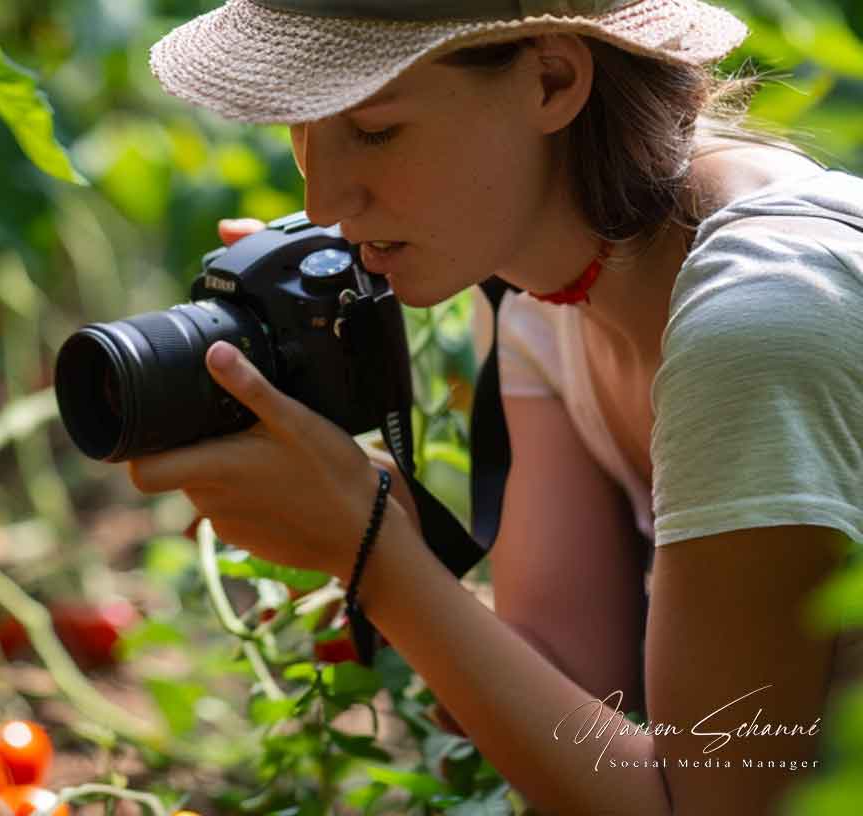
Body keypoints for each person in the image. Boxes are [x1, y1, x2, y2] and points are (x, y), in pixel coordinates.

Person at [131, 1, 863, 813]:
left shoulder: (759, 320)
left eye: (374, 131)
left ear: (552, 79)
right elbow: (578, 695)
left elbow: (693, 806)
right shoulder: (545, 285)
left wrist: (377, 557)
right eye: (303, 129)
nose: (326, 199)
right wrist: (385, 521)